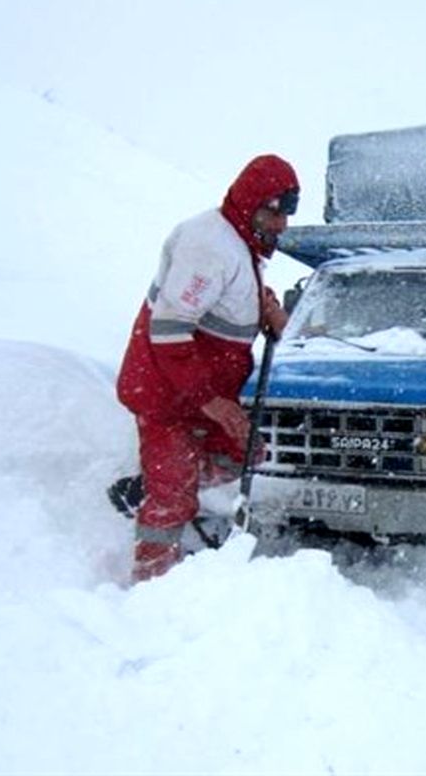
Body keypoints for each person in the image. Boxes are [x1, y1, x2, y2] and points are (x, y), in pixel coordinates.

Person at [111, 154, 299, 583]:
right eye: (275, 211)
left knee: (249, 455)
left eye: (288, 213)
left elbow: (226, 294)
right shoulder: (208, 243)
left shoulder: (239, 244)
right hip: (166, 396)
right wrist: (212, 403)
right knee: (172, 498)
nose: (282, 225)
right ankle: (150, 586)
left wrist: (267, 308)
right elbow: (170, 330)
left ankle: (149, 487)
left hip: (200, 398)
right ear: (251, 202)